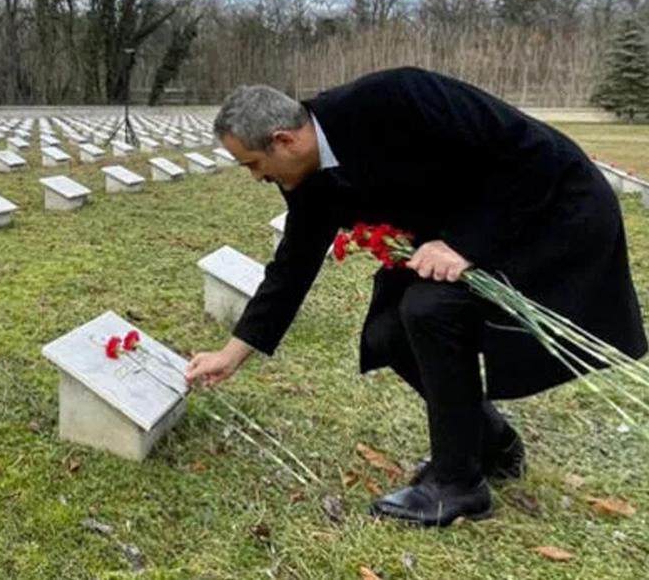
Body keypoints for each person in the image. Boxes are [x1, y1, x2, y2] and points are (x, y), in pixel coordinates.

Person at [185, 67, 647, 526]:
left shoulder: (396, 97)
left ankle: (458, 485)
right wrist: (233, 352)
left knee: (428, 309)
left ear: (284, 141)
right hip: (462, 235)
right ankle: (491, 443)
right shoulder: (309, 179)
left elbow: (531, 154)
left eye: (252, 164)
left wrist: (465, 244)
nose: (256, 177)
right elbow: (294, 263)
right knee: (388, 331)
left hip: (547, 212)